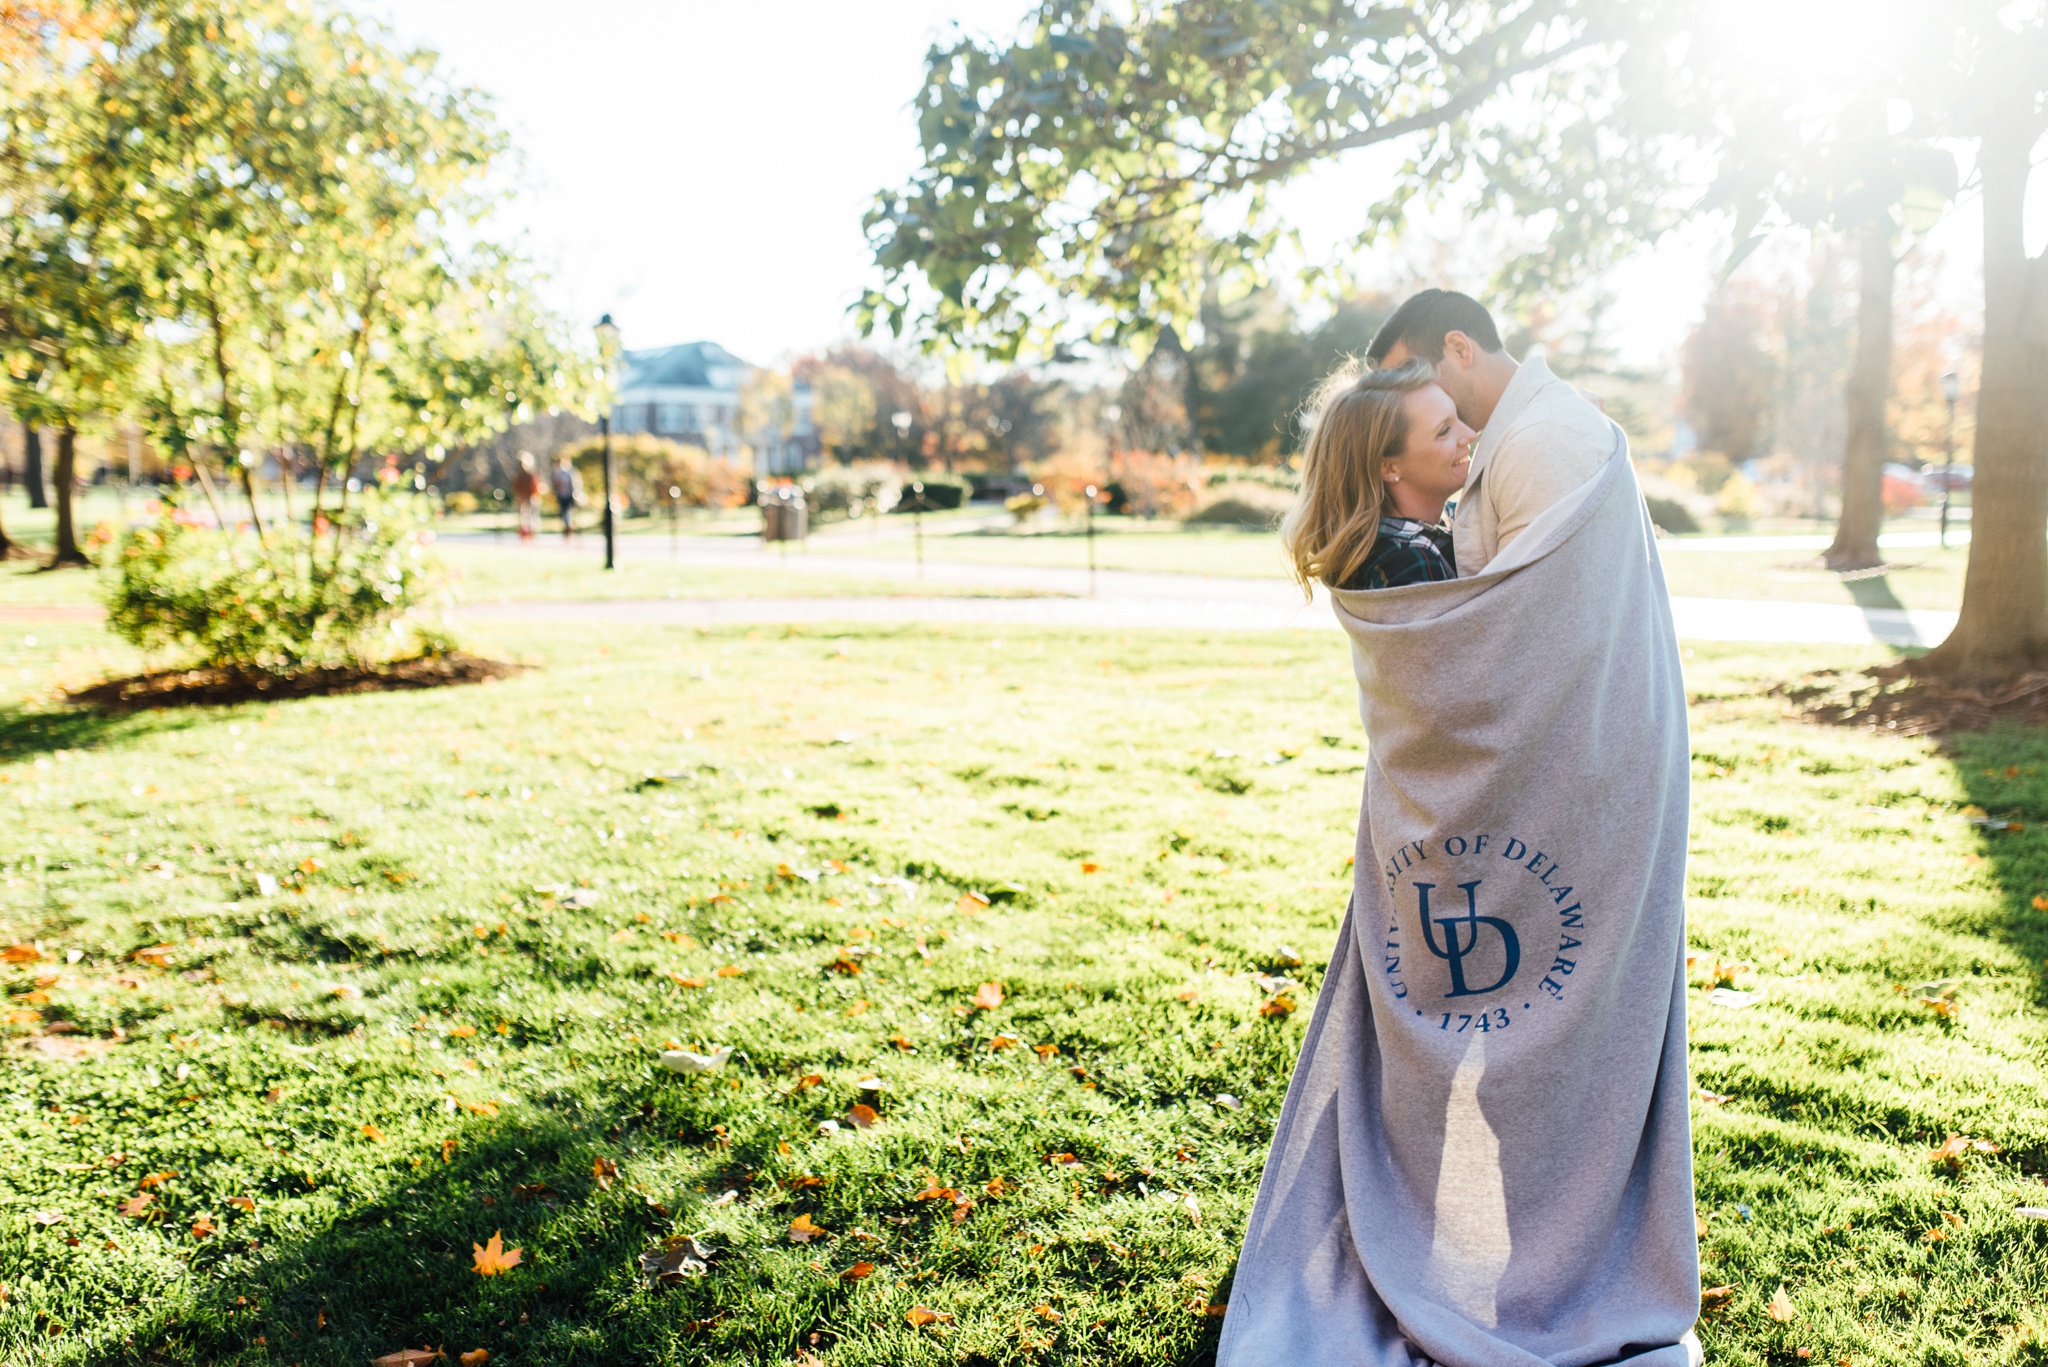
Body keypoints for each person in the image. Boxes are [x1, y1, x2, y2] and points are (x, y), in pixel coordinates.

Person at [1220, 289, 1700, 1367]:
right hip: (1471, 820)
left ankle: (1489, 1234)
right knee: (1463, 1029)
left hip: (1515, 809)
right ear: (1390, 466)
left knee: (1487, 1028)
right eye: (1434, 428)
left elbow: (1524, 634)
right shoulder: (1428, 530)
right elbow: (1472, 653)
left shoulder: (1537, 446)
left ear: (1452, 348)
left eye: (1442, 407)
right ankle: (1465, 1236)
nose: (1455, 433)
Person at [1365, 288, 1612, 578]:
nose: (1407, 397)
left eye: (1411, 375)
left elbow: (1525, 610)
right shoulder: (1542, 425)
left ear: (1459, 349)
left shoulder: (1537, 439)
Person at [1281, 360, 1476, 593]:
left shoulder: (1457, 519)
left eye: (1458, 418)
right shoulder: (1407, 563)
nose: (1471, 434)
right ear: (1389, 468)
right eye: (1444, 431)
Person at [549, 455, 581, 540]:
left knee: (566, 512)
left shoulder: (564, 473)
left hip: (566, 495)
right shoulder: (564, 473)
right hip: (565, 495)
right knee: (566, 512)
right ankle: (568, 528)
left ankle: (569, 528)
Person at [511, 451, 542, 540]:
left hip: (530, 497)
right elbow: (516, 487)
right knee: (524, 516)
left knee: (531, 516)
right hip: (524, 497)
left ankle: (531, 532)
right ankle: (525, 532)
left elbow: (535, 487)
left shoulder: (530, 474)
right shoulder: (520, 475)